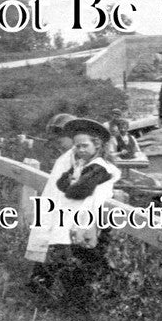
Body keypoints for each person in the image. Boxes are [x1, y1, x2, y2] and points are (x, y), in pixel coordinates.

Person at [25, 118, 121, 302]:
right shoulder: (75, 162)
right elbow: (59, 184)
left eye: (84, 146)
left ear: (98, 145)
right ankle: (53, 293)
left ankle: (79, 301)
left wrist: (72, 183)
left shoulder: (100, 167)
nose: (80, 150)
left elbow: (79, 191)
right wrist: (71, 177)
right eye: (78, 146)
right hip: (70, 215)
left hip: (86, 217)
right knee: (67, 256)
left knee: (81, 259)